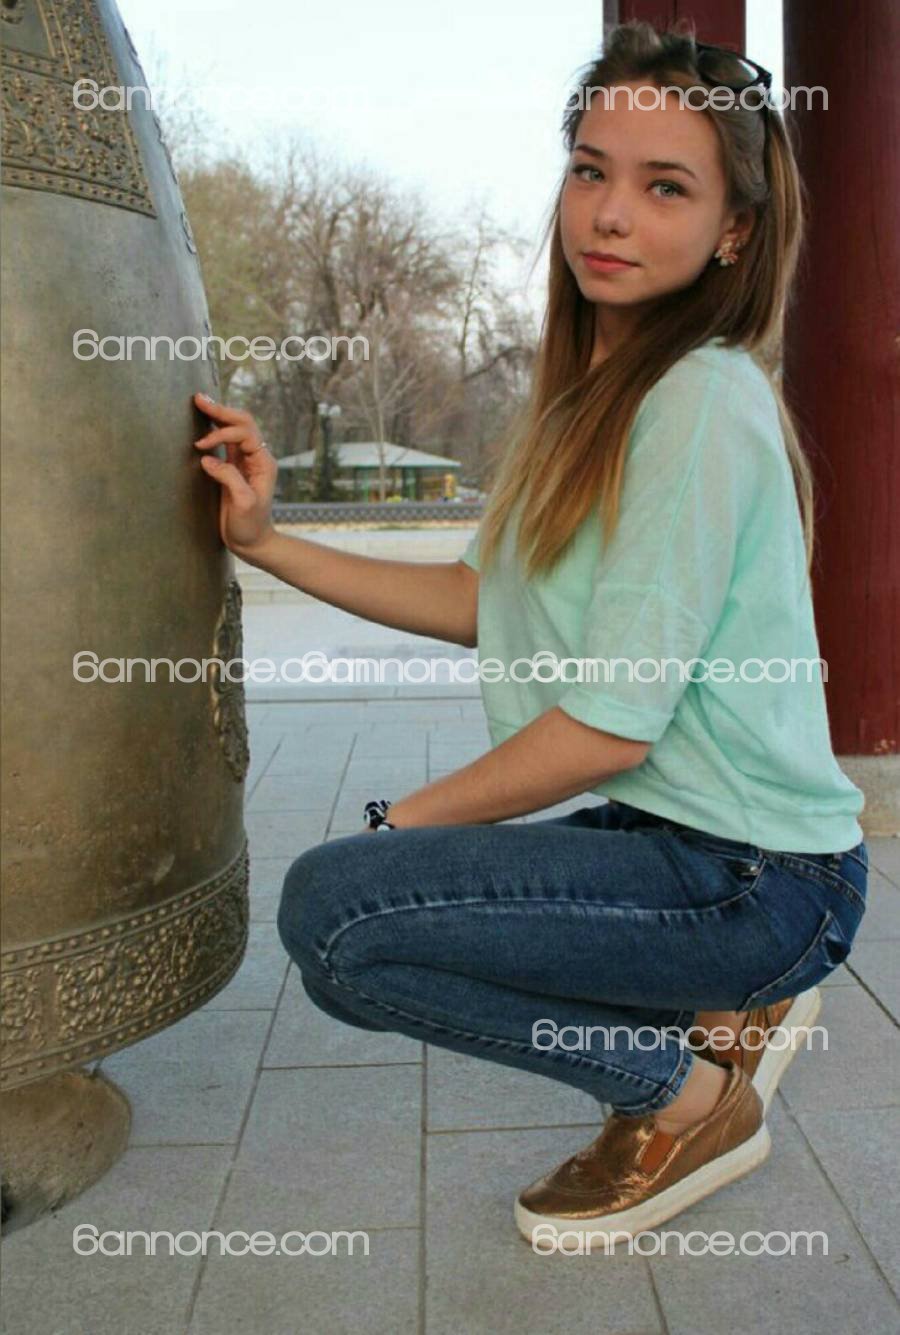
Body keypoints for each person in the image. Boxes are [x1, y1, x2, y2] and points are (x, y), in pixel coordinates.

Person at [192, 20, 868, 1251]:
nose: (610, 213)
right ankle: (722, 1012)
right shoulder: (591, 398)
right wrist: (268, 542)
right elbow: (479, 600)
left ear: (735, 230)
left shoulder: (700, 400)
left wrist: (402, 824)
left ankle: (689, 1095)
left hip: (760, 881)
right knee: (365, 892)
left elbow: (607, 730)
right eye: (591, 170)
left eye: (666, 187)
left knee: (337, 915)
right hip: (675, 846)